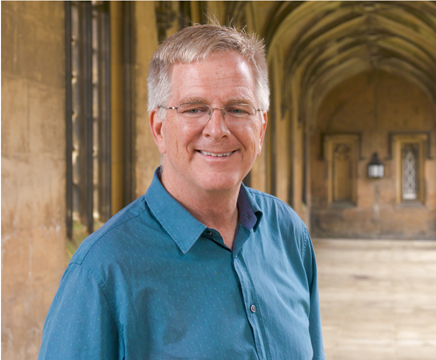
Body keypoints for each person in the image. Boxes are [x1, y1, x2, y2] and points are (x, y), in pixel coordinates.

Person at [39, 24, 325, 360]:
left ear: (260, 129)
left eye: (237, 109)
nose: (217, 130)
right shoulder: (101, 272)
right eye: (194, 109)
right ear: (158, 128)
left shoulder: (288, 233)